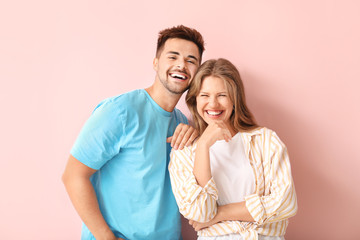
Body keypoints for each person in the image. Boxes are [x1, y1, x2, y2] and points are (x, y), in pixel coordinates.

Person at [62, 25, 205, 240]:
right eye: (173, 56)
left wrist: (196, 139)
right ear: (156, 63)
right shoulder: (120, 111)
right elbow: (73, 175)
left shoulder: (182, 124)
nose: (181, 65)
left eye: (191, 60)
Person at [169, 58, 297, 240]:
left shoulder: (265, 140)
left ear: (235, 99)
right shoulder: (184, 152)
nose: (213, 104)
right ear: (195, 100)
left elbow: (286, 203)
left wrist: (221, 213)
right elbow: (200, 214)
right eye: (204, 95)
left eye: (222, 95)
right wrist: (204, 145)